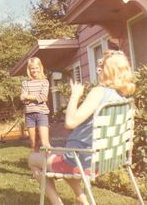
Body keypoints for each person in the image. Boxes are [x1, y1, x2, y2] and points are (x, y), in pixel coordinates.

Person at [28, 50, 136, 205]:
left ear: (108, 71)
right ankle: (82, 198)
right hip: (103, 160)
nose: (98, 69)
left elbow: (70, 123)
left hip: (82, 161)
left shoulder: (99, 92)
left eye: (102, 66)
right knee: (58, 153)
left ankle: (57, 203)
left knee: (33, 159)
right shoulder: (122, 99)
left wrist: (74, 96)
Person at [20, 57, 51, 152]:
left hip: (42, 114)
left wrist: (27, 97)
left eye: (36, 67)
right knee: (34, 144)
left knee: (45, 143)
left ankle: (50, 164)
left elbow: (43, 97)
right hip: (29, 115)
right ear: (29, 70)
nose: (34, 70)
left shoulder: (44, 82)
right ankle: (36, 165)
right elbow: (23, 100)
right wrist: (29, 98)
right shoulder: (25, 83)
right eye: (32, 68)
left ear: (40, 68)